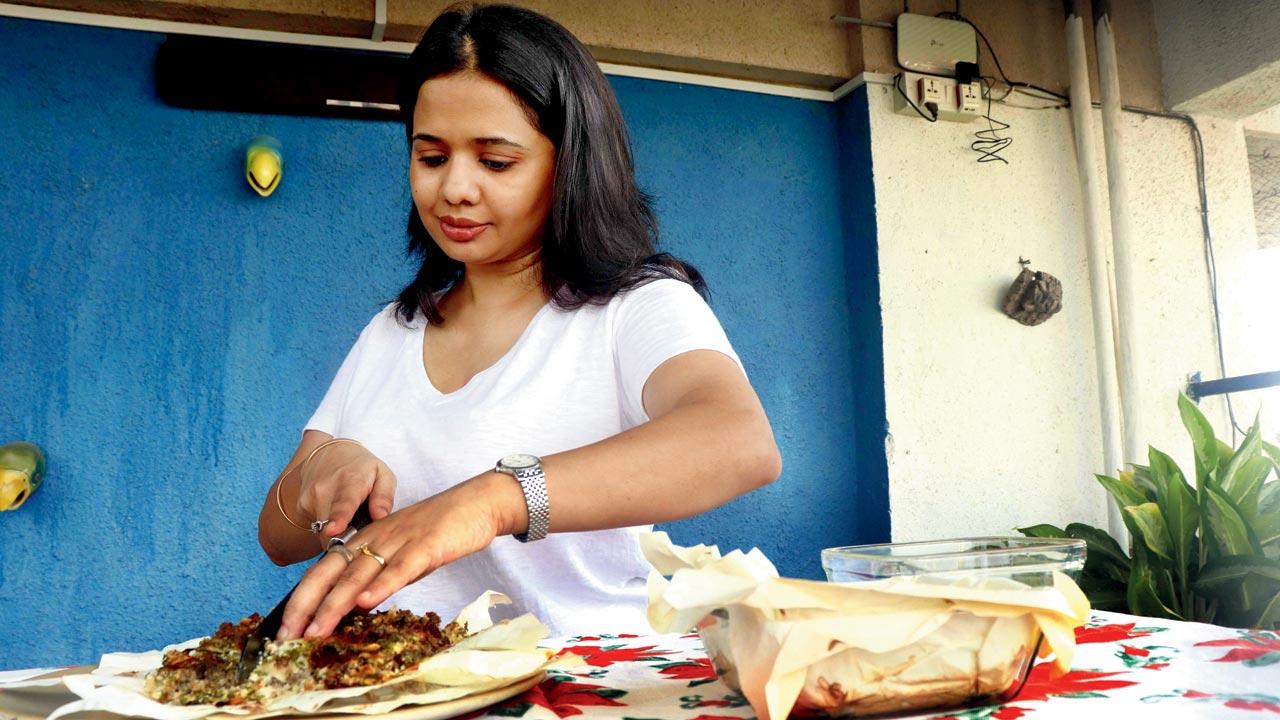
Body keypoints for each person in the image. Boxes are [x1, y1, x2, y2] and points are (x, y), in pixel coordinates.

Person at [256, 2, 781, 641]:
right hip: (402, 689)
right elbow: (277, 537)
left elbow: (739, 441)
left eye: (495, 162)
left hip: (579, 691)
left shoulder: (634, 307)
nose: (455, 188)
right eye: (430, 157)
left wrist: (494, 500)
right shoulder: (394, 330)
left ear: (569, 163)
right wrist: (320, 474)